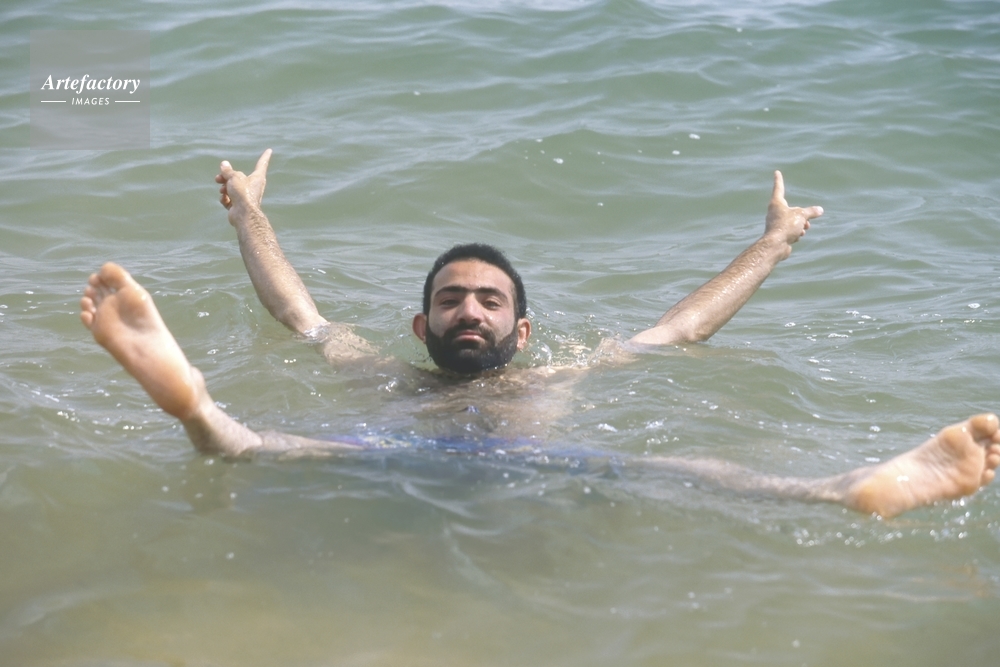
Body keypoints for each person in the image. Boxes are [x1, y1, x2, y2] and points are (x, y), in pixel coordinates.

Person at [79, 150, 1000, 518]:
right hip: (388, 456)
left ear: (522, 329)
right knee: (246, 442)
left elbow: (678, 329)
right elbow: (300, 313)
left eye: (489, 300)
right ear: (422, 325)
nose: (469, 310)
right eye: (451, 299)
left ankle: (850, 487)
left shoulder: (557, 375)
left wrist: (772, 243)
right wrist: (249, 213)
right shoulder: (383, 372)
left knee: (679, 468)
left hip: (544, 467)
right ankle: (194, 405)